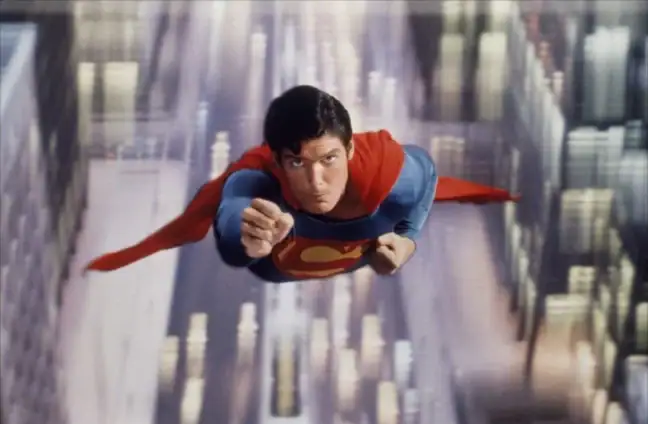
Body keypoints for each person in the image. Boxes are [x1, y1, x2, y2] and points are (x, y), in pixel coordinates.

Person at [86, 85, 518, 281]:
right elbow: (232, 220)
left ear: (349, 150)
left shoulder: (392, 175)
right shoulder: (258, 182)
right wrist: (247, 237)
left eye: (329, 160)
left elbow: (426, 174)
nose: (315, 181)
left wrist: (408, 240)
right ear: (277, 160)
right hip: (277, 269)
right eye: (297, 162)